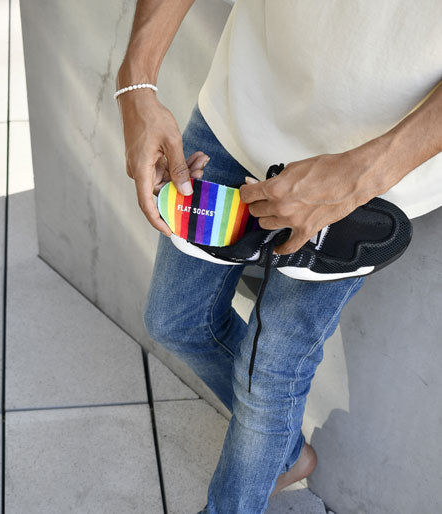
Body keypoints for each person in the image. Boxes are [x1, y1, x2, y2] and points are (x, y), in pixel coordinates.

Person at [114, 1, 442, 512]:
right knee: (175, 319)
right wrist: (136, 84)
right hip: (244, 106)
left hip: (371, 171)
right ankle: (283, 454)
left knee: (270, 373)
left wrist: (360, 176)